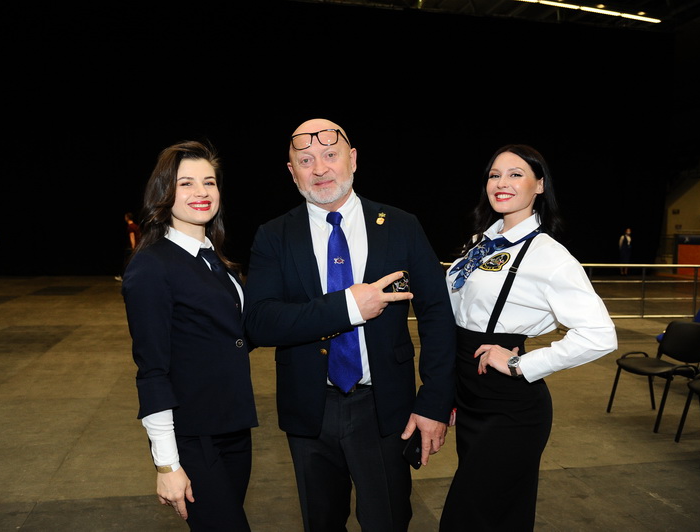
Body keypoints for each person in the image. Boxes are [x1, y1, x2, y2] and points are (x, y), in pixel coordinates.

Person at [244, 118, 456, 532]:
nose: (320, 169)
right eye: (306, 160)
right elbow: (260, 322)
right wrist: (348, 308)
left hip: (386, 409)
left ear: (353, 159)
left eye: (330, 155)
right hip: (309, 410)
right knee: (321, 522)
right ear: (292, 172)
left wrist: (433, 402)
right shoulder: (273, 236)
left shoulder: (401, 225)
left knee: (388, 520)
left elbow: (437, 315)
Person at [439, 144, 617, 531]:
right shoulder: (479, 244)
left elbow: (600, 334)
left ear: (539, 185)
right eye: (494, 175)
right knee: (499, 516)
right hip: (469, 393)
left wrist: (522, 363)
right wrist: (447, 390)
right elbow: (458, 314)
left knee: (468, 517)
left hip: (509, 407)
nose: (501, 183)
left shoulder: (548, 255)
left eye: (515, 174)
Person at [121, 140, 258, 531]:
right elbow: (152, 371)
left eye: (209, 182)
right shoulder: (151, 265)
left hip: (234, 431)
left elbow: (232, 336)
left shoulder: (214, 257)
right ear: (164, 192)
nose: (202, 192)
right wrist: (167, 464)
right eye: (186, 183)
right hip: (193, 439)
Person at [115, 212, 141, 281]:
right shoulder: (136, 226)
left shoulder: (130, 227)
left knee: (127, 262)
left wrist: (133, 247)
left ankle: (123, 277)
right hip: (138, 247)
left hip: (132, 248)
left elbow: (132, 237)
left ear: (127, 218)